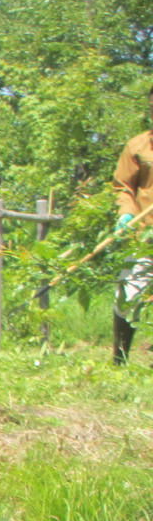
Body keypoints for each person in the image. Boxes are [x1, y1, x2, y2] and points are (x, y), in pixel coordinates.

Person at [111, 83, 153, 363]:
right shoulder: (138, 146)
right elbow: (123, 187)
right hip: (145, 235)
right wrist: (126, 212)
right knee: (128, 293)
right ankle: (120, 357)